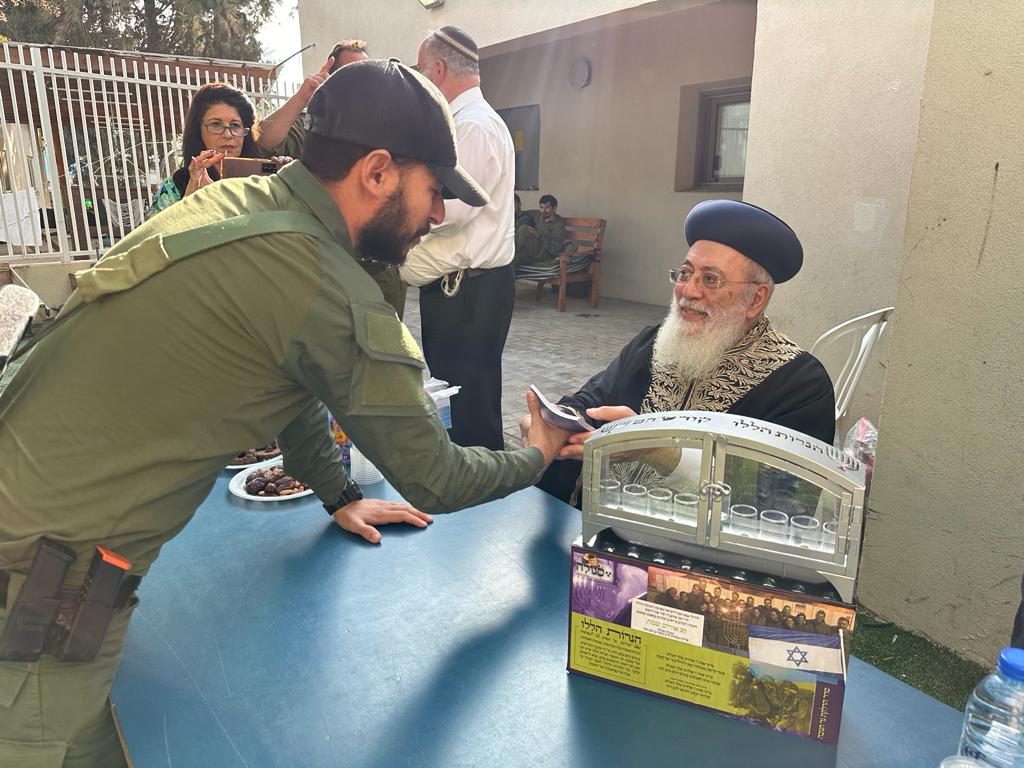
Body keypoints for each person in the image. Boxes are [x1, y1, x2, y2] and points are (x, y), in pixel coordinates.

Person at [0, 59, 570, 766]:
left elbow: (286, 370)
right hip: (41, 580)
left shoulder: (245, 208)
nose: (437, 215)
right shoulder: (320, 281)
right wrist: (539, 452)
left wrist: (337, 492)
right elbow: (438, 478)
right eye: (433, 191)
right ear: (378, 172)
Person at [522, 198, 836, 506]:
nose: (688, 290)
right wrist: (556, 423)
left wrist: (664, 453)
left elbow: (788, 497)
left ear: (755, 299)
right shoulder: (653, 342)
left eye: (710, 279)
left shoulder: (800, 384)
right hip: (589, 527)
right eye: (685, 274)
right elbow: (593, 399)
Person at [401, 26, 516, 451]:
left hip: (466, 291)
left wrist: (396, 219)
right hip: (464, 289)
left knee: (468, 410)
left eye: (420, 71)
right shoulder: (471, 122)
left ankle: (482, 485)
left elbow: (455, 208)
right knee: (463, 400)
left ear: (437, 69)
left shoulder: (471, 127)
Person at [254, 40, 408, 319]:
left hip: (380, 271)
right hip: (327, 271)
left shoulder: (384, 128)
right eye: (353, 73)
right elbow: (265, 140)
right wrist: (302, 97)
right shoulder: (311, 125)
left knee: (384, 342)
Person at [146, 82, 263, 218]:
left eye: (235, 125)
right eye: (216, 124)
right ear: (198, 131)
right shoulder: (176, 186)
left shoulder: (262, 181)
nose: (228, 134)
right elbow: (153, 231)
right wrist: (190, 196)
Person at [513, 193, 565, 267]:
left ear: (554, 209)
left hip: (544, 255)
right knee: (509, 261)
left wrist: (538, 235)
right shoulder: (538, 215)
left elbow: (555, 249)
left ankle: (508, 251)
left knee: (524, 228)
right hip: (530, 252)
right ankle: (508, 254)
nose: (543, 210)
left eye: (547, 207)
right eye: (541, 207)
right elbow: (521, 212)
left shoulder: (558, 224)